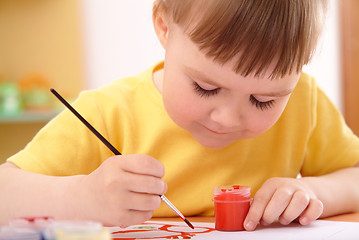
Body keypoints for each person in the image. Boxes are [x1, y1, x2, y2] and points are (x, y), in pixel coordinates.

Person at [1, 0, 358, 231]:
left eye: (263, 100)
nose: (228, 118)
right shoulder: (106, 114)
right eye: (206, 88)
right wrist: (80, 197)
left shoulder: (304, 101)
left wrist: (310, 189)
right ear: (164, 27)